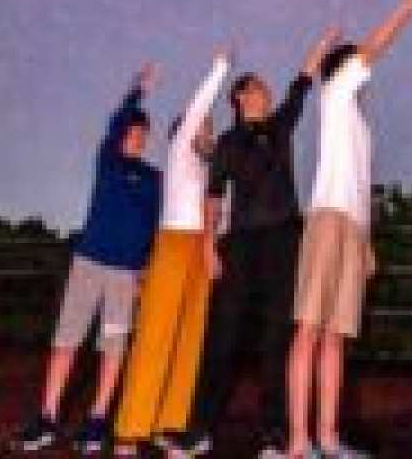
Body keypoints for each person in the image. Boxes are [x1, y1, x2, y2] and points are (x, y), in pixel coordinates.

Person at [167, 28, 342, 459]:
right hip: (239, 245)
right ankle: (199, 430)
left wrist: (320, 47)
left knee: (276, 339)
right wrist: (209, 247)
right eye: (258, 88)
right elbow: (212, 197)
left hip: (284, 241)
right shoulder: (227, 143)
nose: (266, 92)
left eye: (266, 88)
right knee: (221, 336)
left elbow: (301, 85)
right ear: (241, 98)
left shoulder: (281, 126)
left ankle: (274, 436)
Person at [286, 0, 412, 459]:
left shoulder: (359, 124)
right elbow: (371, 49)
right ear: (345, 69)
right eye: (357, 66)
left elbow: (361, 186)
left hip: (351, 227)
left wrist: (365, 243)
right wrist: (403, 13)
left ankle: (327, 438)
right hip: (326, 220)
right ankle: (297, 444)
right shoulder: (334, 92)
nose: (366, 74)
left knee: (336, 337)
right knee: (308, 329)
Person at [17, 63, 164, 454]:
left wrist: (145, 270)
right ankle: (46, 416)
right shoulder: (108, 162)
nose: (137, 138)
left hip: (125, 275)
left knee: (113, 346)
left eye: (143, 134)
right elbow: (115, 120)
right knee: (67, 339)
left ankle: (98, 419)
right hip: (89, 263)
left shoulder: (154, 179)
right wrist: (137, 92)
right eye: (132, 132)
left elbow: (153, 227)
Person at [112, 46, 234, 456]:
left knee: (188, 341)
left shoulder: (209, 171)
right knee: (155, 336)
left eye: (210, 129)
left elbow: (221, 215)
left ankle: (169, 427)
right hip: (174, 243)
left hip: (200, 250)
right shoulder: (180, 150)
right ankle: (130, 431)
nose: (208, 133)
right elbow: (198, 105)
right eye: (204, 127)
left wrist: (213, 247)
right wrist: (219, 67)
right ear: (187, 129)